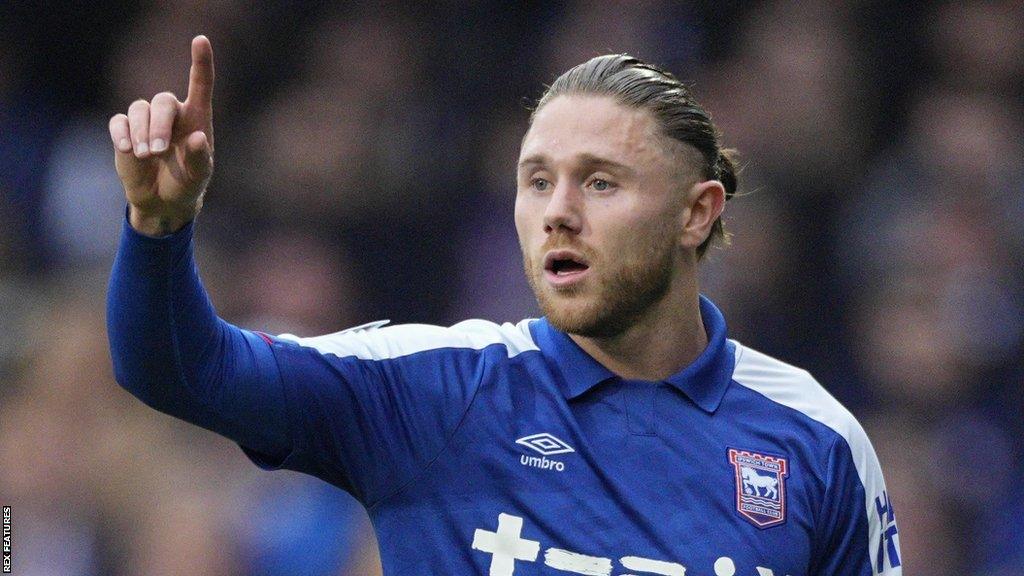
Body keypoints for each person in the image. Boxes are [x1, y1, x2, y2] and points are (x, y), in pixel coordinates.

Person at [107, 36, 902, 575]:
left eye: (599, 181)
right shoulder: (432, 389)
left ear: (697, 213)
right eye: (536, 180)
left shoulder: (817, 443)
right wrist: (159, 227)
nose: (557, 210)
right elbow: (182, 369)